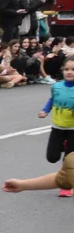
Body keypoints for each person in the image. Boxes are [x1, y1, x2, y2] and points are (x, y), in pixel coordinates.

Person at [36, 56, 74, 197]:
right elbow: (52, 100)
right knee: (51, 157)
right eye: (67, 69)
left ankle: (67, 187)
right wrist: (45, 111)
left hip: (73, 130)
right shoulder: (56, 86)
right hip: (57, 127)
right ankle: (64, 144)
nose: (69, 72)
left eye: (73, 69)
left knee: (68, 161)